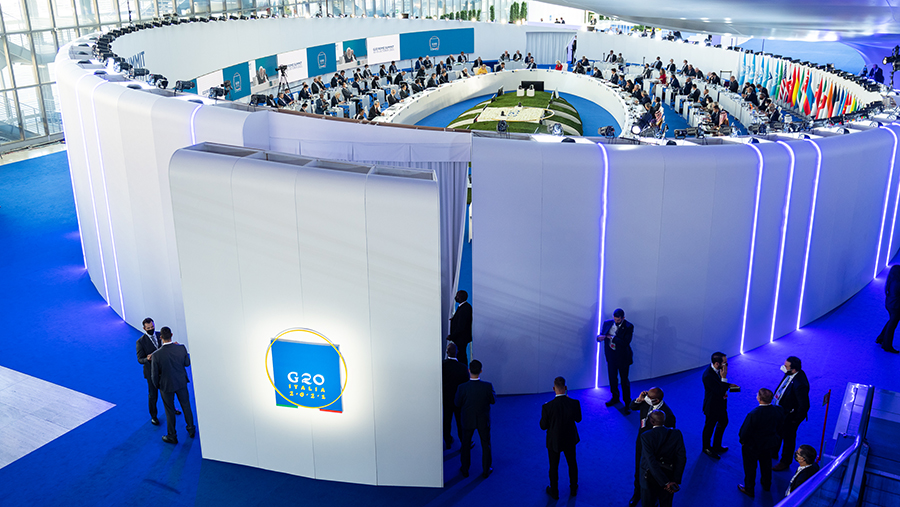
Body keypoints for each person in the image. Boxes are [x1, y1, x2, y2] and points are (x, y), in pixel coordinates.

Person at [629, 388, 676, 507]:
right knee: (638, 470)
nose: (647, 399)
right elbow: (632, 407)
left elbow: (668, 435)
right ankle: (637, 493)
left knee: (653, 472)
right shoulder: (645, 402)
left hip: (656, 449)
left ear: (657, 400)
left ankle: (654, 497)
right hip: (641, 443)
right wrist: (638, 400)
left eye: (649, 398)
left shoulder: (668, 414)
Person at [151, 326, 195, 444]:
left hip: (166, 386)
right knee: (186, 406)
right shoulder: (181, 348)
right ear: (171, 335)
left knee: (169, 411)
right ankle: (191, 429)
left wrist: (158, 386)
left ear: (161, 338)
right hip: (181, 382)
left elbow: (154, 375)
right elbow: (187, 363)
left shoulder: (156, 355)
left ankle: (172, 436)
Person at [738, 388, 785, 498]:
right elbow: (780, 425)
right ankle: (766, 484)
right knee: (766, 465)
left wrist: (743, 442)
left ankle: (749, 489)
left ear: (758, 398)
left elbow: (744, 432)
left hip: (752, 446)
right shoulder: (778, 410)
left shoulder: (754, 414)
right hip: (769, 444)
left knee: (750, 467)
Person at [540, 376, 582, 500]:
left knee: (553, 467)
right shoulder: (574, 403)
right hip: (570, 439)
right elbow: (578, 419)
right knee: (572, 463)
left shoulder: (547, 407)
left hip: (554, 441)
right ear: (565, 388)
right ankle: (573, 488)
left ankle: (554, 492)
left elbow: (543, 426)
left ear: (554, 389)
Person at [455, 359, 496, 479]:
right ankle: (486, 469)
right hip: (483, 420)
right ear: (481, 371)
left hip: (467, 420)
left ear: (469, 370)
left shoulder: (462, 387)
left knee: (466, 444)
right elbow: (493, 401)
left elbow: (457, 403)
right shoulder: (487, 386)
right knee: (486, 444)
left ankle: (465, 469)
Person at [639, 410, 686, 507]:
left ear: (652, 421)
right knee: (666, 503)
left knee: (648, 503)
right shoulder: (676, 434)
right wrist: (674, 481)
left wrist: (665, 482)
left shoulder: (646, 436)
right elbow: (681, 458)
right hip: (669, 474)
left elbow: (651, 461)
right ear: (664, 420)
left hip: (649, 477)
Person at [773, 356, 810, 471]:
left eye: (786, 366)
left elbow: (804, 405)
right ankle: (773, 452)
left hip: (790, 417)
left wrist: (794, 420)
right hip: (781, 412)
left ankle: (785, 461)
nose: (783, 367)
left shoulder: (800, 384)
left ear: (793, 369)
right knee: (778, 432)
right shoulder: (790, 373)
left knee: (788, 438)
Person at [598, 308, 634, 410]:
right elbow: (602, 334)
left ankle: (627, 402)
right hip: (611, 357)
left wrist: (612, 338)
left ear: (623, 318)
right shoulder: (607, 323)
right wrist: (599, 338)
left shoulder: (629, 326)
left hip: (623, 358)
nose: (616, 321)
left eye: (618, 320)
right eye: (615, 319)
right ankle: (615, 397)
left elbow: (625, 342)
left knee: (624, 381)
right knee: (612, 379)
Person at [702, 352, 731, 459]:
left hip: (721, 405)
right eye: (725, 363)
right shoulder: (707, 376)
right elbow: (719, 391)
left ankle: (716, 445)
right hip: (712, 407)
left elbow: (720, 386)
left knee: (724, 422)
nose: (726, 365)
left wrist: (728, 384)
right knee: (709, 428)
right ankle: (706, 448)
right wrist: (724, 378)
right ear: (717, 364)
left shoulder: (719, 370)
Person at [137, 317, 164, 425]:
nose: (151, 329)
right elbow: (140, 359)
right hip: (151, 373)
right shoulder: (140, 342)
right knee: (153, 395)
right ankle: (154, 416)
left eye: (152, 327)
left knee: (168, 392)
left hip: (164, 370)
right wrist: (147, 359)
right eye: (148, 328)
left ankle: (172, 409)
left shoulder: (160, 335)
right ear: (144, 328)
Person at [443, 342, 469, 449]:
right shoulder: (463, 368)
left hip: (446, 398)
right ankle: (464, 442)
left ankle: (447, 440)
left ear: (447, 352)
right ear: (457, 352)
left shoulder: (442, 365)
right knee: (460, 421)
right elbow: (466, 385)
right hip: (459, 399)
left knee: (447, 420)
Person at [876, 264, 900, 352]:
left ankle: (881, 338)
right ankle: (887, 346)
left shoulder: (892, 280)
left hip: (890, 304)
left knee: (891, 322)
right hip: (896, 307)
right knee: (892, 325)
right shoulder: (898, 283)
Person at [448, 290, 473, 366]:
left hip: (461, 338)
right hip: (461, 338)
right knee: (461, 355)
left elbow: (461, 326)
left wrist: (452, 336)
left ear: (461, 297)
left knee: (461, 356)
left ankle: (463, 370)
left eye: (457, 296)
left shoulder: (465, 308)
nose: (456, 297)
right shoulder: (464, 307)